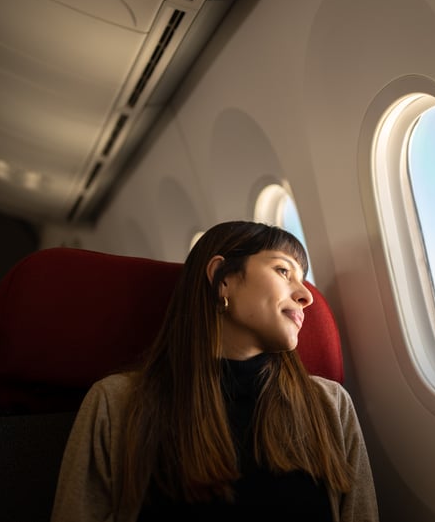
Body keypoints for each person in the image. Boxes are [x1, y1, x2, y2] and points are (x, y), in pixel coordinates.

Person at [50, 220, 379, 522]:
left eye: (303, 278)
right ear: (223, 279)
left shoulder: (331, 405)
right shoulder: (117, 404)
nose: (307, 296)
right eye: (283, 271)